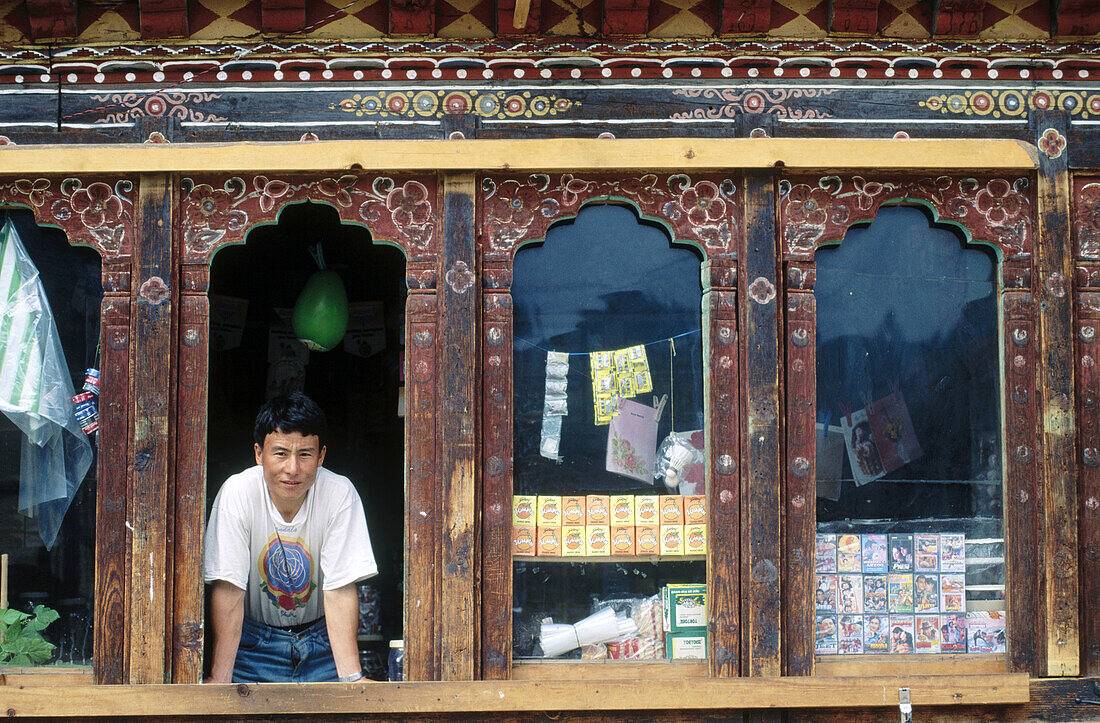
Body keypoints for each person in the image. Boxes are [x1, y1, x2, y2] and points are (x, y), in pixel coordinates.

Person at [204, 392, 377, 683]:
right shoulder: (237, 493)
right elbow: (229, 588)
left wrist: (351, 680)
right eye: (281, 453)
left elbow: (339, 587)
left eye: (305, 454)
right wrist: (220, 680)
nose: (292, 469)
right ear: (259, 454)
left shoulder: (339, 493)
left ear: (321, 455)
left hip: (324, 644)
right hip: (253, 645)